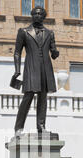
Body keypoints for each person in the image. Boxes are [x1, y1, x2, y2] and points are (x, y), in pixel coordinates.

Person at [12, 6, 59, 136]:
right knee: (28, 97)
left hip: (45, 69)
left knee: (43, 98)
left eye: (40, 14)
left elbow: (53, 53)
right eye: (35, 14)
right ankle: (18, 128)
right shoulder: (24, 32)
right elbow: (17, 52)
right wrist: (17, 70)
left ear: (44, 17)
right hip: (31, 68)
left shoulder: (50, 33)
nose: (38, 16)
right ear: (32, 16)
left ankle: (41, 126)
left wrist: (55, 52)